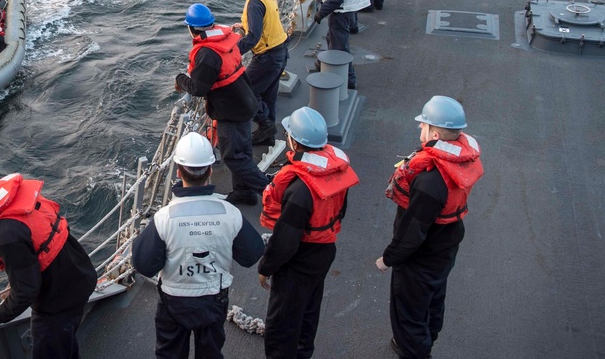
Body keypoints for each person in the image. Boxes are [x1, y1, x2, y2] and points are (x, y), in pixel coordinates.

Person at [132, 131, 264, 359]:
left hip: (174, 301)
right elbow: (251, 255)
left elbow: (143, 264)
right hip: (214, 299)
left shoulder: (164, 217)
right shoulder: (230, 213)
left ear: (178, 171)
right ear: (210, 170)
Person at [0, 168, 97, 358]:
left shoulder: (4, 234)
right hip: (79, 273)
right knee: (64, 345)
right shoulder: (16, 201)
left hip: (58, 301)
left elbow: (26, 291)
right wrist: (15, 281)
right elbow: (35, 247)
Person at [375, 96, 484, 359]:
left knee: (409, 312)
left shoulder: (430, 181)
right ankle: (428, 337)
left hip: (420, 257)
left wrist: (388, 258)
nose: (418, 128)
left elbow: (413, 231)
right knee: (433, 299)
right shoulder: (457, 163)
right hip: (444, 248)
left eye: (422, 124)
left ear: (435, 133)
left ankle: (415, 350)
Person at [258, 107, 359, 359]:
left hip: (298, 262)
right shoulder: (336, 172)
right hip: (324, 252)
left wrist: (266, 267)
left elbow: (286, 241)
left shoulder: (299, 190)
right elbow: (341, 211)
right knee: (309, 311)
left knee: (282, 322)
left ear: (294, 141)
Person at [175, 3, 267, 206]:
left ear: (191, 28)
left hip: (231, 111)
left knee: (234, 157)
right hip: (244, 102)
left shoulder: (207, 54)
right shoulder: (224, 40)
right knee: (243, 153)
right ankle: (244, 192)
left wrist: (180, 79)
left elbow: (199, 88)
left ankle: (272, 191)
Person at [227, 0, 289, 147]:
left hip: (268, 56)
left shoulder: (253, 3)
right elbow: (262, 23)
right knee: (268, 93)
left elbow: (253, 37)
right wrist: (244, 27)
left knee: (246, 91)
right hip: (281, 50)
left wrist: (232, 51)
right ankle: (267, 135)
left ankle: (266, 126)